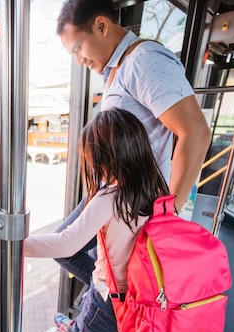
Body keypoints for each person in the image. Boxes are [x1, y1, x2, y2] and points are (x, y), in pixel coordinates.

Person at [52, 0, 212, 286]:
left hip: (134, 197)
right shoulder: (117, 70)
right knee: (70, 249)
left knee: (68, 248)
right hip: (112, 190)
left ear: (101, 26)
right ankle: (113, 304)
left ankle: (112, 307)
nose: (78, 60)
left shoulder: (144, 60)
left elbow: (195, 132)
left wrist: (168, 212)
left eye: (78, 48)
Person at [25, 109, 169, 332]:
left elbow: (67, 243)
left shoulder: (108, 198)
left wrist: (18, 246)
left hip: (110, 301)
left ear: (105, 159)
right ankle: (78, 325)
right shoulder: (156, 189)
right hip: (144, 295)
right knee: (94, 298)